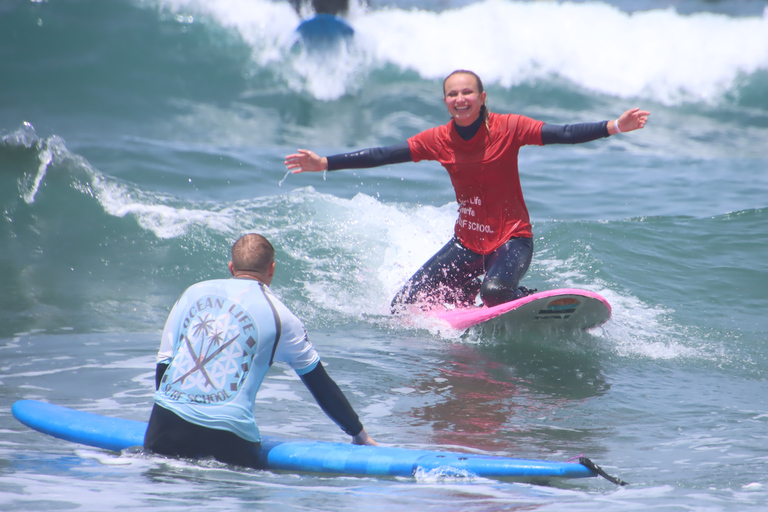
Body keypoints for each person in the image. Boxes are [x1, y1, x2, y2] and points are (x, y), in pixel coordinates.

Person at [284, 70, 650, 312]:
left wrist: (615, 126)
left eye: (467, 92)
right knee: (405, 305)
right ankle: (474, 291)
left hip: (512, 241)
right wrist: (325, 163)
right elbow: (384, 154)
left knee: (493, 293)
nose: (460, 99)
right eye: (452, 94)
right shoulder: (438, 139)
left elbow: (564, 133)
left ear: (481, 96)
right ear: (445, 101)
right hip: (467, 243)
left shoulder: (509, 128)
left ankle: (527, 298)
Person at [144, 233, 376, 469]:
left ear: (231, 267)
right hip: (228, 440)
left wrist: (173, 420)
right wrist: (359, 435)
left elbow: (164, 367)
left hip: (163, 429)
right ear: (272, 269)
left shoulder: (191, 293)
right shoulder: (281, 316)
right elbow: (321, 385)